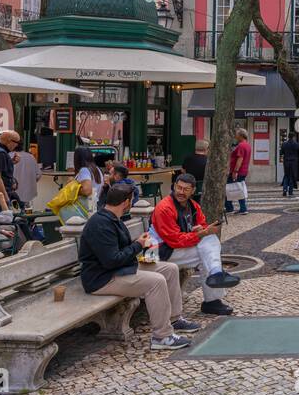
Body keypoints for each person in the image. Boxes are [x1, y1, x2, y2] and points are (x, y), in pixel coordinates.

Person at [80, 182, 198, 350]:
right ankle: (162, 336)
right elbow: (111, 260)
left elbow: (118, 253)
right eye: (132, 201)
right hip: (102, 278)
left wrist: (138, 244)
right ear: (126, 202)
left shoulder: (112, 218)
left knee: (170, 269)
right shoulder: (101, 224)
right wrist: (138, 245)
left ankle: (175, 318)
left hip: (119, 269)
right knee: (155, 281)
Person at [151, 173, 241, 316]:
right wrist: (200, 234)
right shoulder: (164, 208)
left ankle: (216, 275)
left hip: (174, 249)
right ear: (174, 186)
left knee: (209, 243)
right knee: (207, 254)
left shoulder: (193, 206)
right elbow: (173, 240)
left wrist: (200, 229)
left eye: (186, 189)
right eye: (178, 188)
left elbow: (202, 224)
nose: (181, 192)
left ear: (193, 191)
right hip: (158, 252)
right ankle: (213, 296)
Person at [227, 129, 252, 214]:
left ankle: (229, 208)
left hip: (238, 171)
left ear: (241, 136)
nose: (235, 136)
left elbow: (240, 159)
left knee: (227, 188)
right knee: (239, 188)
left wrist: (235, 171)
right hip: (243, 170)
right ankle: (243, 208)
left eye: (237, 134)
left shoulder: (241, 146)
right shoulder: (247, 145)